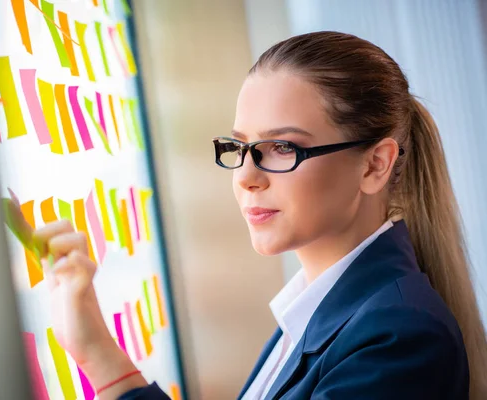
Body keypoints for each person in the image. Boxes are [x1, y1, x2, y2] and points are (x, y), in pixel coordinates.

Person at [33, 31, 487, 400]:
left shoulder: (398, 338)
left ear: (374, 164)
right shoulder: (319, 313)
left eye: (283, 147)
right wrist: (92, 341)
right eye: (239, 147)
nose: (247, 176)